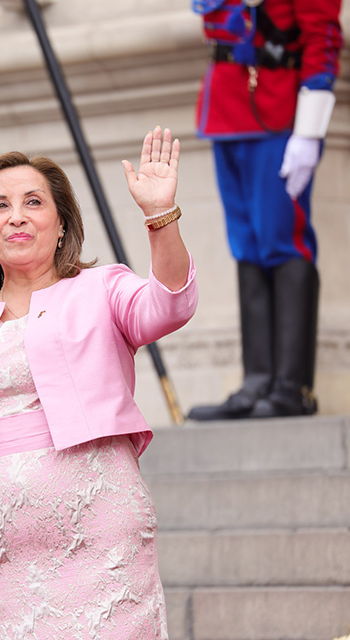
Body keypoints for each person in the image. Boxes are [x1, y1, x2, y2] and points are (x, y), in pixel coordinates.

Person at [0, 127, 197, 639]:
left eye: (33, 202)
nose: (16, 215)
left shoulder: (102, 288)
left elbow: (170, 304)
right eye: (0, 205)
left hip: (100, 537)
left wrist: (160, 216)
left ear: (61, 224)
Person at [186, 0, 342, 420]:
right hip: (227, 111)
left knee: (281, 240)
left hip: (276, 112)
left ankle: (291, 387)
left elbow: (322, 38)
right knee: (246, 244)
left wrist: (309, 131)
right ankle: (257, 381)